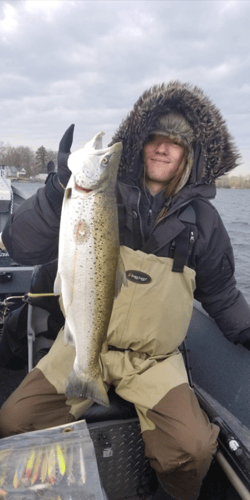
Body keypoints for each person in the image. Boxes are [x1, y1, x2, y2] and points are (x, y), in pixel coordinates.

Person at [0, 81, 250, 500]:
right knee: (15, 420)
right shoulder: (96, 194)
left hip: (154, 361)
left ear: (189, 155)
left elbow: (223, 296)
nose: (162, 148)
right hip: (81, 343)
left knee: (193, 449)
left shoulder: (205, 224)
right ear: (140, 142)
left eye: (175, 142)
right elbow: (23, 245)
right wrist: (54, 187)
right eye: (155, 137)